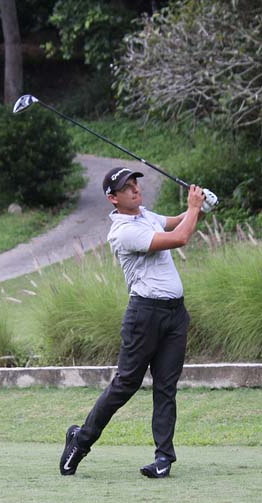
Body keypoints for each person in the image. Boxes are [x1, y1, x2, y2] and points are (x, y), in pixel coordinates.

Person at [60, 166, 206, 478]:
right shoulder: (124, 231)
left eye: (135, 184)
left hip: (175, 314)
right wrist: (194, 208)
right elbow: (180, 237)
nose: (136, 190)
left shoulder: (146, 216)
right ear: (113, 198)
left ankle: (163, 459)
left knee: (166, 387)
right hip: (145, 315)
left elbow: (179, 221)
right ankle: (80, 441)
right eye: (127, 188)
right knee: (126, 384)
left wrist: (201, 206)